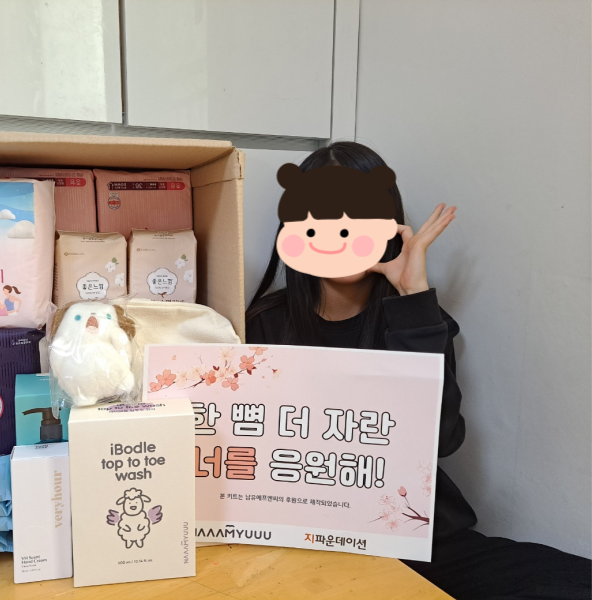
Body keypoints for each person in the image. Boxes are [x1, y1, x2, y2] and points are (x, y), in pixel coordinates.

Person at [246, 141, 590, 600]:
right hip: (305, 534)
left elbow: (443, 440)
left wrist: (414, 297)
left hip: (419, 536)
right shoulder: (264, 324)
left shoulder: (419, 317)